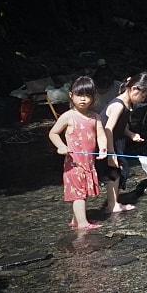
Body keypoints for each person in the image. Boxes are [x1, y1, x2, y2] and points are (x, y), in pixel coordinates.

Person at [47, 76, 108, 229]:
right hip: (74, 164)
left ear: (93, 98)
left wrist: (103, 148)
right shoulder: (68, 116)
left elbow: (101, 135)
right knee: (79, 194)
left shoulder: (95, 117)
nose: (83, 99)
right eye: (79, 95)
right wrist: (61, 146)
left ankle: (76, 220)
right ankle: (82, 223)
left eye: (87, 96)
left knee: (82, 192)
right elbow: (53, 133)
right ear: (71, 95)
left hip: (88, 163)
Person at [99, 72, 147, 214]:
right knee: (114, 171)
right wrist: (111, 153)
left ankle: (113, 203)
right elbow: (108, 129)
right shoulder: (118, 105)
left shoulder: (127, 104)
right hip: (108, 142)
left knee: (118, 170)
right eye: (143, 96)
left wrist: (131, 134)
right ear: (134, 89)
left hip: (116, 141)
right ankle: (112, 205)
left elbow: (121, 125)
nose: (143, 100)